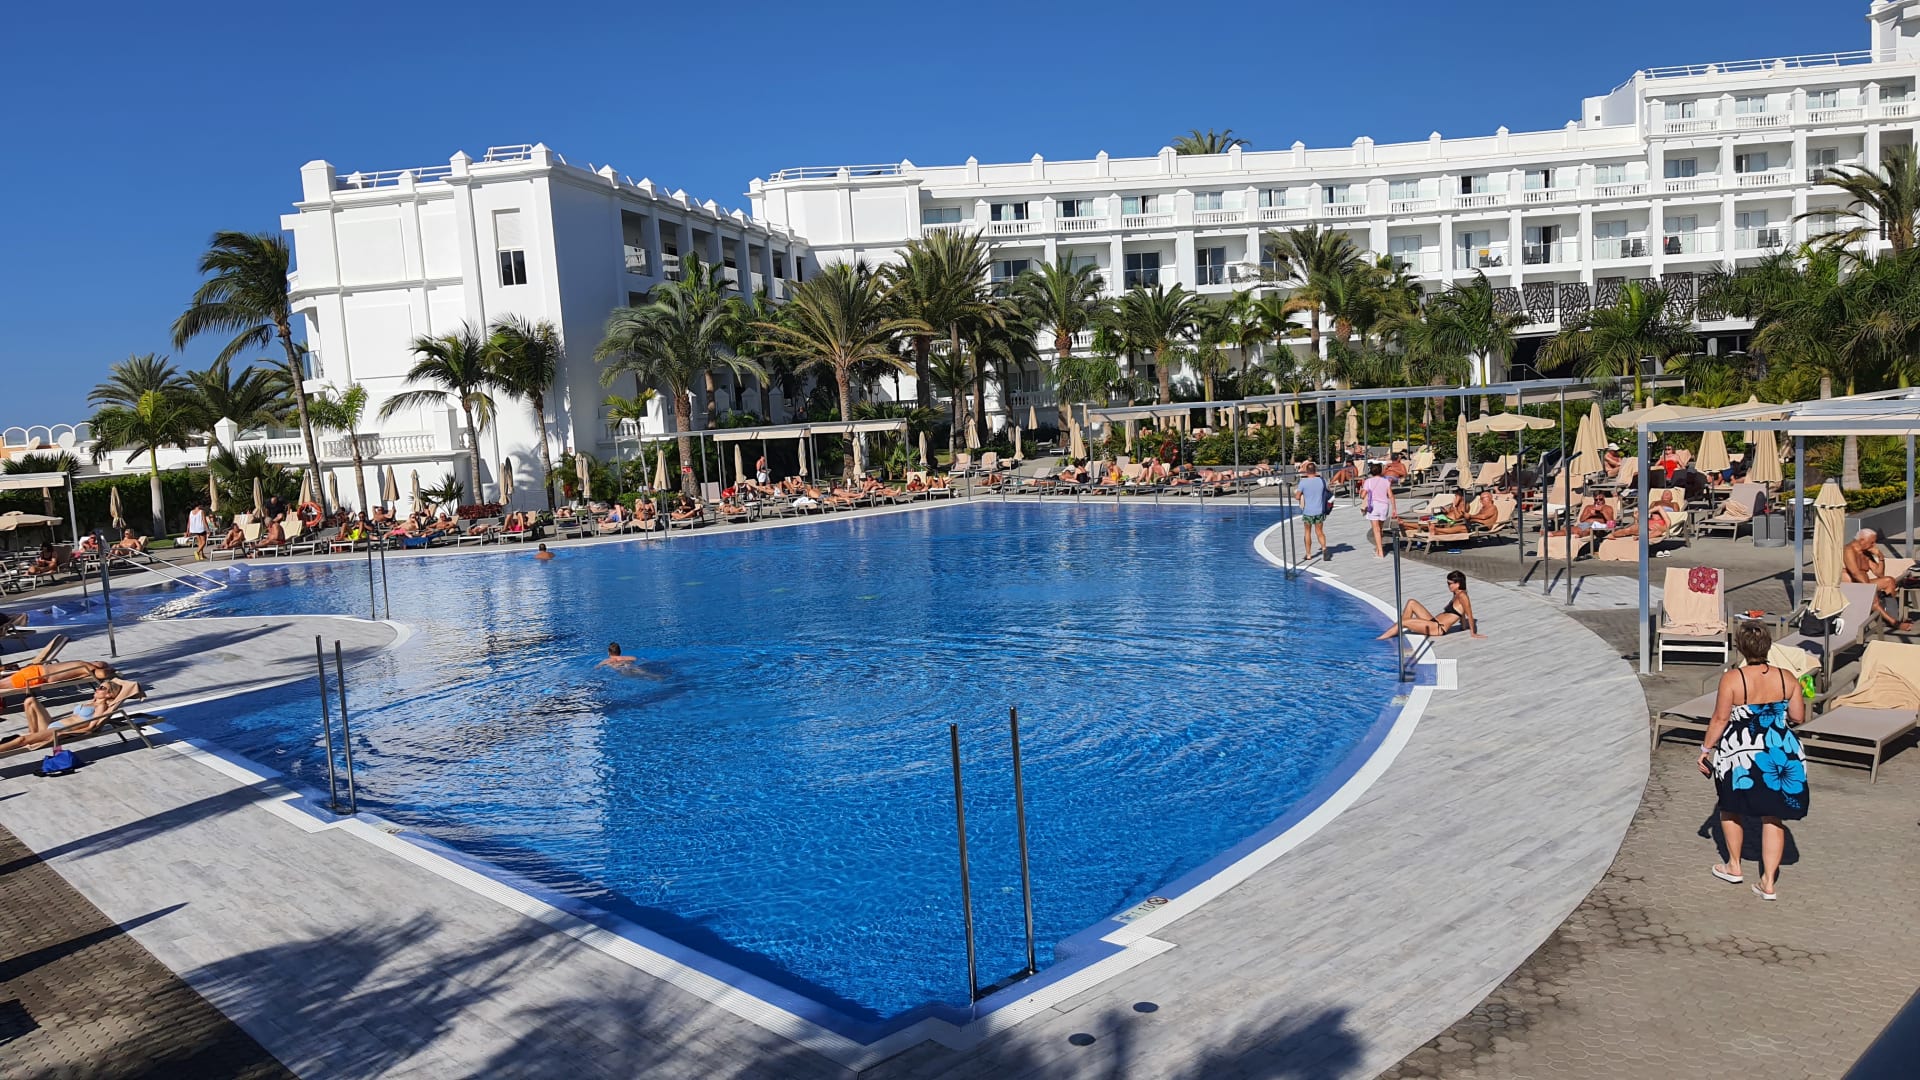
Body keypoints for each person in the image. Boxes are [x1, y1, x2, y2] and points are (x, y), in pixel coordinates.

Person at [1699, 621, 1807, 901]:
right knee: (1773, 816)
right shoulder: (1787, 677)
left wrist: (1705, 749)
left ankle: (1734, 866)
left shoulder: (1733, 679)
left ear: (1740, 647)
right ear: (1768, 646)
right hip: (1779, 751)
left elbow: (1720, 718)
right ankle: (1768, 883)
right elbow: (1798, 717)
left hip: (1741, 752)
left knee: (1730, 807)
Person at [1377, 570, 1483, 640]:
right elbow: (1461, 613)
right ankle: (1398, 629)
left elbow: (1469, 614)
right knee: (1411, 602)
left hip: (1438, 628)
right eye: (1447, 583)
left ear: (1458, 584)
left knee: (1404, 622)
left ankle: (1379, 639)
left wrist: (1473, 633)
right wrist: (1463, 627)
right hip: (1433, 622)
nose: (1448, 586)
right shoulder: (1456, 593)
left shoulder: (1463, 596)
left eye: (1450, 583)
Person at [1843, 528, 1912, 631]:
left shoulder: (1865, 553)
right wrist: (1869, 589)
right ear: (1862, 540)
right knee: (1873, 597)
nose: (1874, 545)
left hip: (1864, 584)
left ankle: (1891, 616)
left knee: (1889, 581)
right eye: (1872, 542)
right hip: (1851, 587)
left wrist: (1880, 556)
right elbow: (1855, 573)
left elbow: (1879, 574)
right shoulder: (1848, 550)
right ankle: (1894, 622)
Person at [1296, 462, 1332, 562]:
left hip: (1308, 511)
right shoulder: (1322, 481)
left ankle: (1308, 554)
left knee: (1307, 532)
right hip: (1319, 510)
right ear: (1315, 470)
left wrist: (1302, 494)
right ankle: (1324, 548)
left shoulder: (1303, 483)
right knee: (1319, 531)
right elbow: (1328, 491)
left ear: (1306, 471)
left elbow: (1297, 497)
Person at [1360, 462, 1395, 558]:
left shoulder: (1368, 481)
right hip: (1384, 506)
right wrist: (1394, 509)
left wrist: (1362, 491)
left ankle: (1380, 552)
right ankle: (1378, 549)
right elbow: (1391, 496)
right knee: (1380, 528)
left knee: (1376, 529)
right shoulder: (1386, 481)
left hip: (1374, 506)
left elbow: (1362, 496)